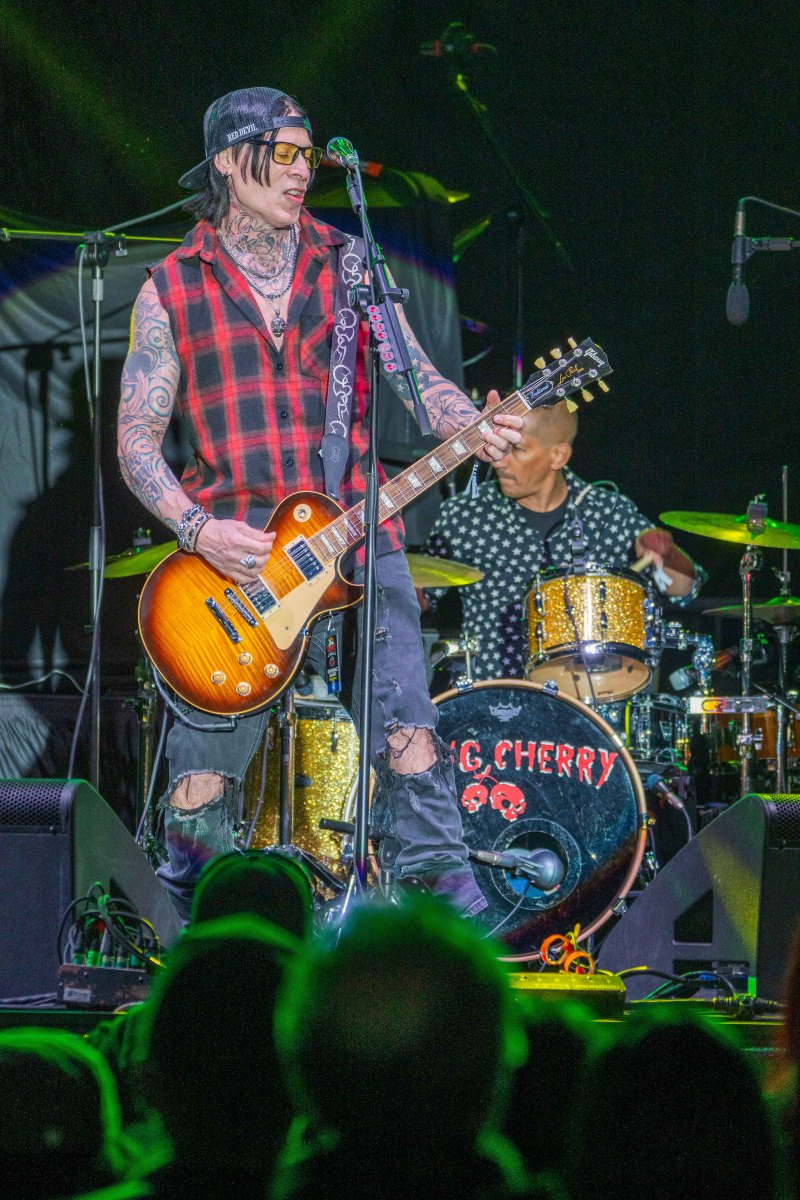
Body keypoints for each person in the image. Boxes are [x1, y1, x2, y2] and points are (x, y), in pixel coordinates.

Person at [117, 87, 523, 921]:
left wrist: (468, 422)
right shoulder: (172, 288)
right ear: (229, 162)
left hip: (357, 534)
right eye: (284, 154)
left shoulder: (349, 263)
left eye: (309, 157)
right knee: (200, 785)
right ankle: (191, 938)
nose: (303, 172)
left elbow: (416, 377)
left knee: (409, 734)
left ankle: (453, 921)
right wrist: (197, 529)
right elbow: (135, 442)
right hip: (234, 563)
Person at [424, 400, 705, 681]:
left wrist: (666, 551)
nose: (499, 460)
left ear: (558, 455)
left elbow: (684, 591)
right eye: (499, 445)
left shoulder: (608, 512)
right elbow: (420, 597)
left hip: (591, 693)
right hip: (493, 693)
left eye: (516, 449)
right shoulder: (464, 513)